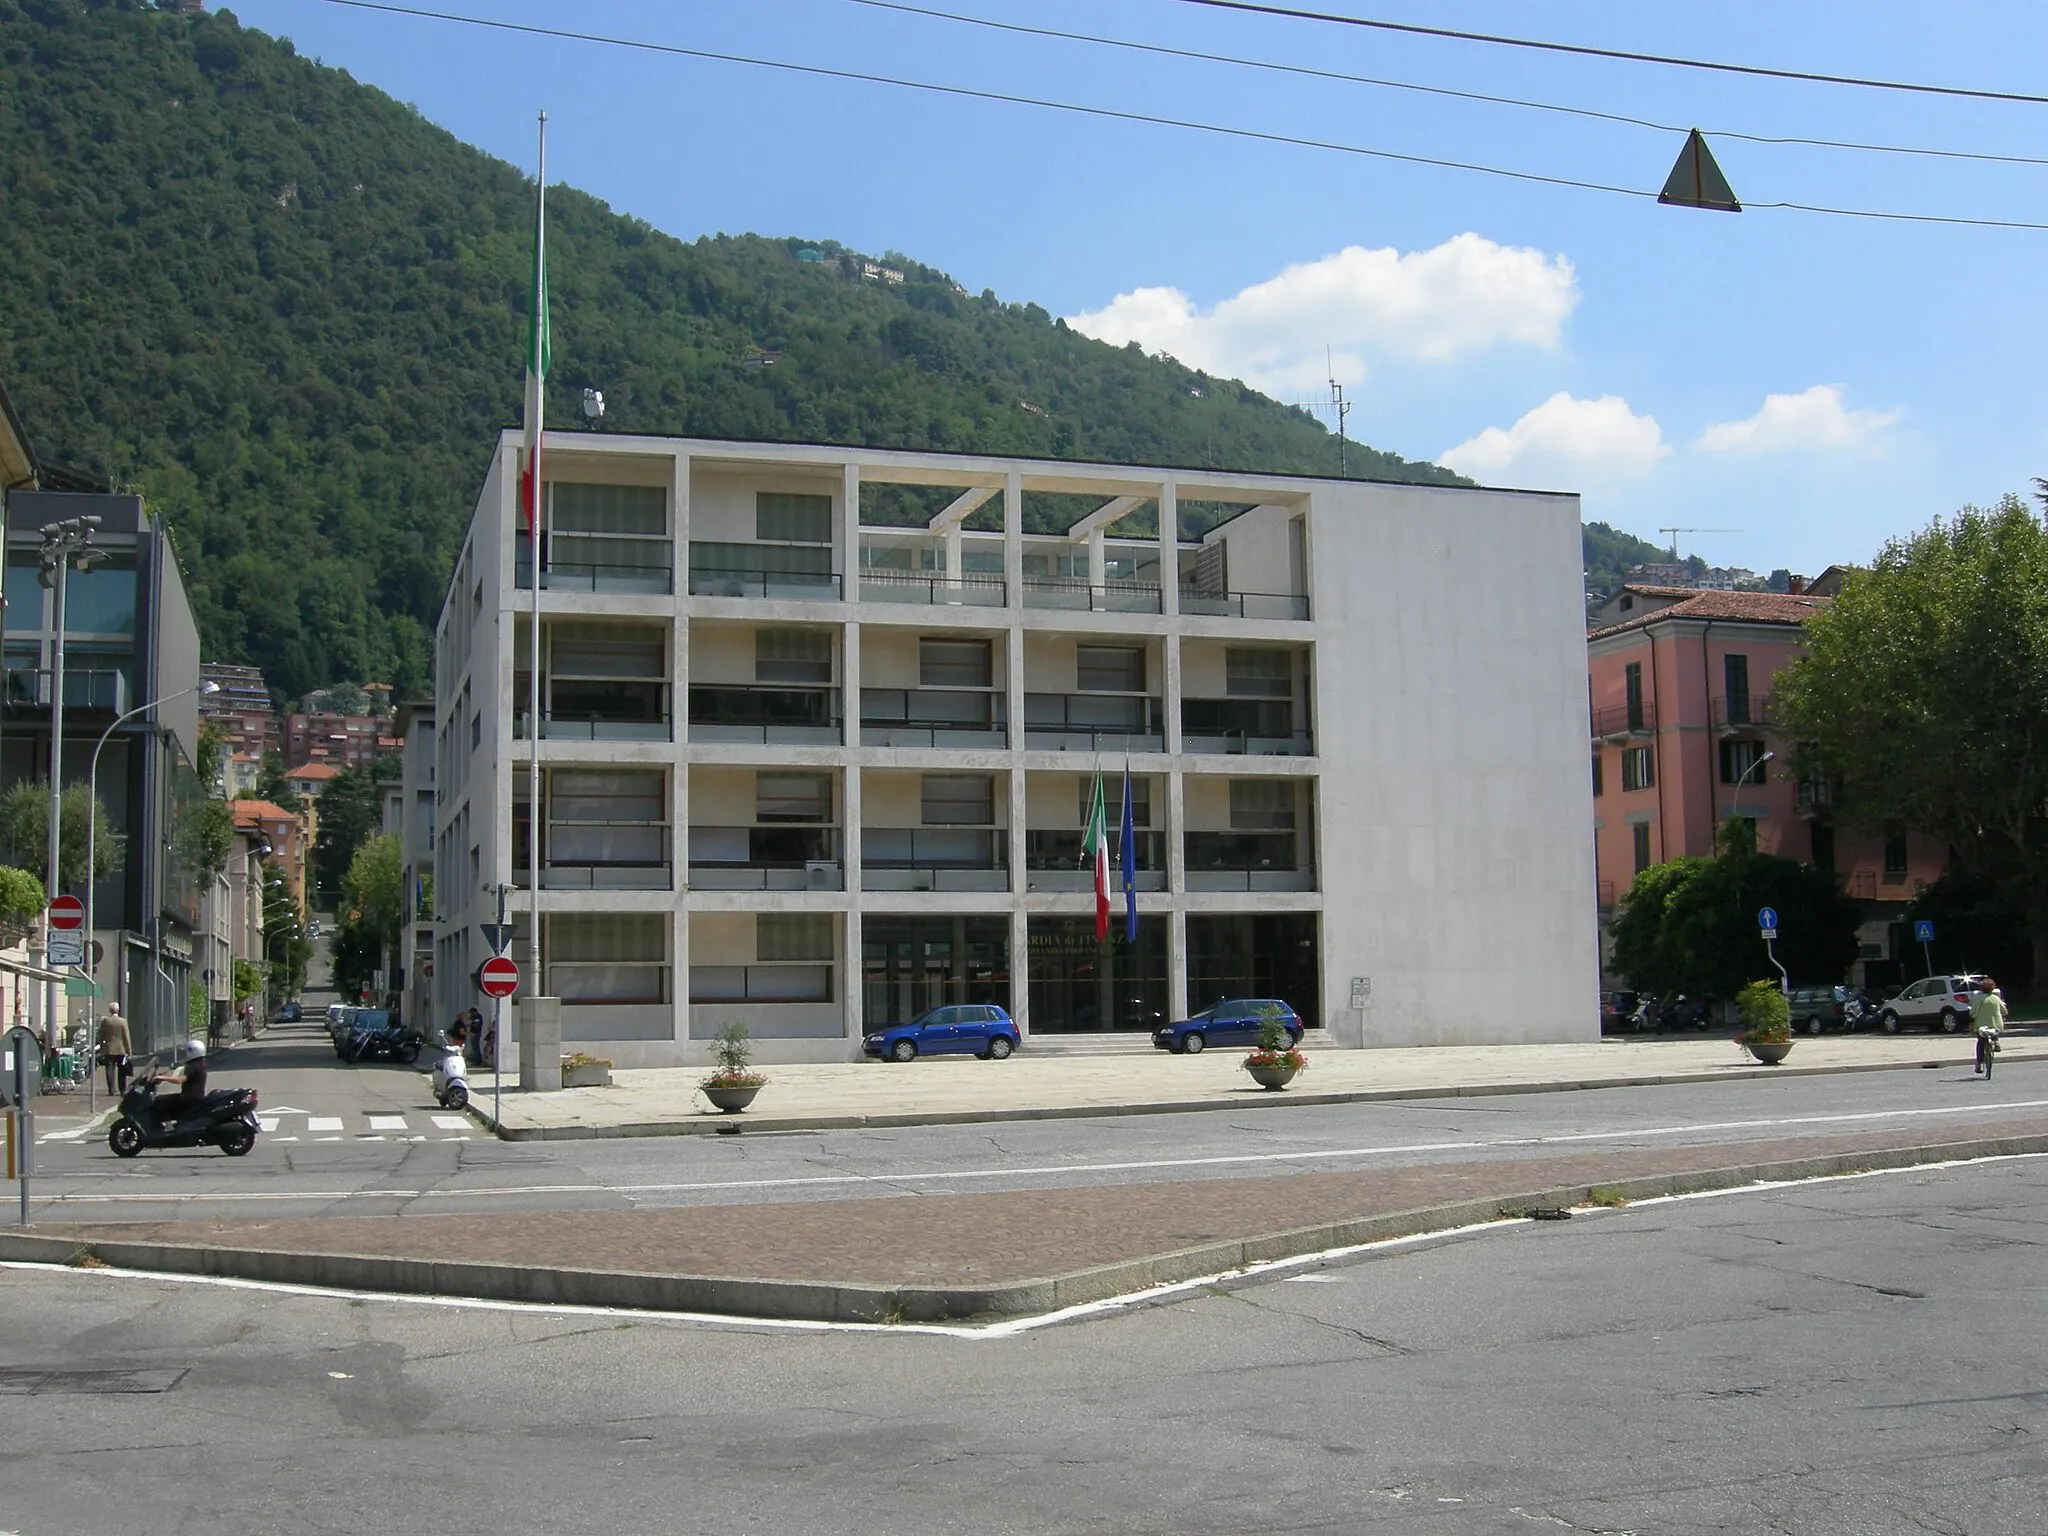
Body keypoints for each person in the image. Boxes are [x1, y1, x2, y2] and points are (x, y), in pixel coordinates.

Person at [1972, 977, 2008, 1074]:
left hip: (1981, 1026)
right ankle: (1996, 1041)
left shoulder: (1978, 999)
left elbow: (1972, 1012)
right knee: (1995, 1031)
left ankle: (1978, 1064)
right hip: (1996, 1025)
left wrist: (1972, 1016)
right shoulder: (1996, 999)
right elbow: (2004, 1011)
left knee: (1980, 1042)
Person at [96, 1003, 132, 1096]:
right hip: (121, 1049)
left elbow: (101, 1034)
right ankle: (122, 1089)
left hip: (109, 1049)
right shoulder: (123, 1021)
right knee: (122, 1070)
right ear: (118, 1010)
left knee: (109, 1069)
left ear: (110, 1010)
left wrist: (101, 1044)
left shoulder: (106, 1021)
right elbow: (126, 1037)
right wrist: (129, 1050)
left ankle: (111, 1089)